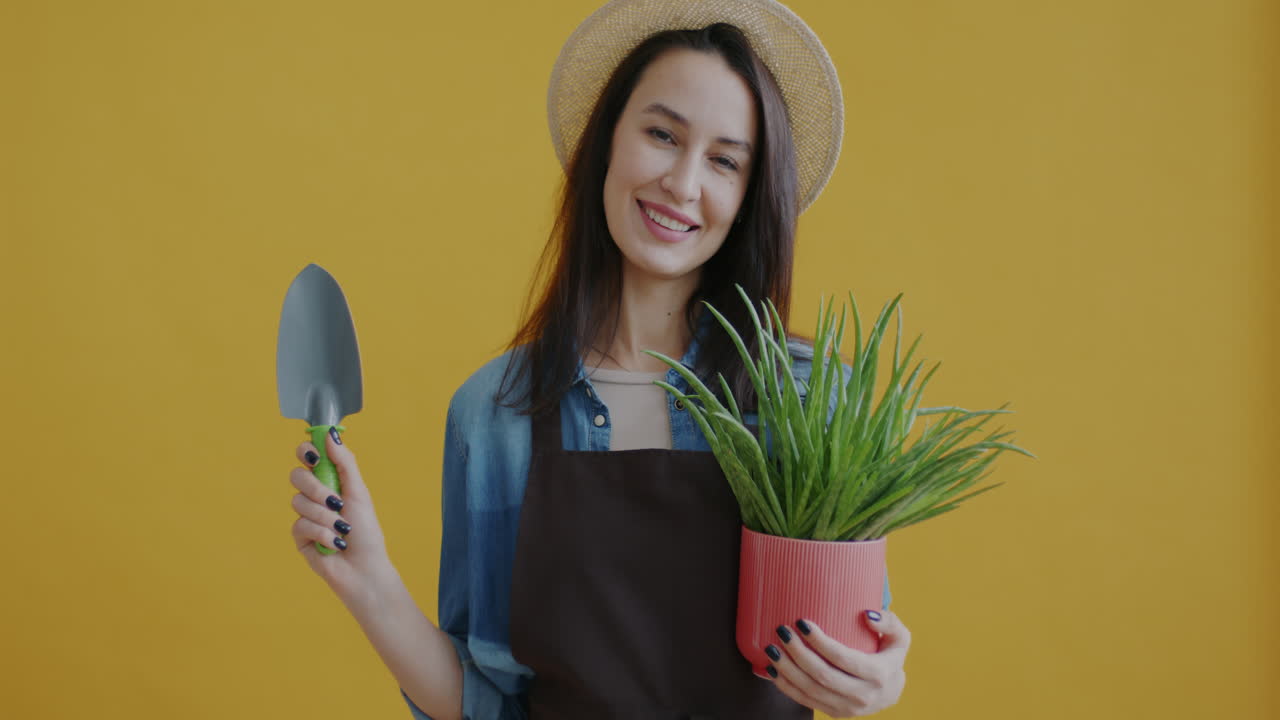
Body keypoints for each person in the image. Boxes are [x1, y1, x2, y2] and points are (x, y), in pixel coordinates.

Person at [287, 1, 910, 718]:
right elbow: (490, 703)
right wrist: (368, 581)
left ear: (749, 198)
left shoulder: (807, 402)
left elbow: (857, 634)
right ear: (605, 143)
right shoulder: (495, 416)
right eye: (660, 134)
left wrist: (878, 677)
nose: (682, 182)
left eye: (724, 160)